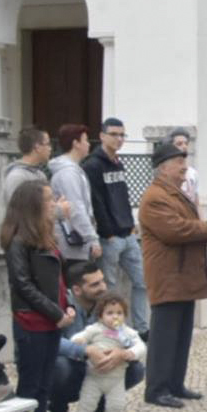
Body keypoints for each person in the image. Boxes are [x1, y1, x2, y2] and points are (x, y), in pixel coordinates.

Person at [2, 180, 74, 412]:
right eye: (47, 200)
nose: (53, 204)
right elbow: (23, 285)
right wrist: (56, 313)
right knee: (30, 386)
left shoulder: (47, 236)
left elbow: (58, 278)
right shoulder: (19, 240)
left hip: (51, 321)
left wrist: (66, 307)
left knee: (45, 383)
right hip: (33, 321)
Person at [142, 143, 207, 407]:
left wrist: (203, 229)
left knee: (181, 334)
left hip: (182, 274)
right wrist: (205, 229)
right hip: (168, 275)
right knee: (164, 335)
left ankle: (175, 383)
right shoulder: (155, 196)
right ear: (163, 168)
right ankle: (157, 389)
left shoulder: (174, 192)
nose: (184, 167)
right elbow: (173, 230)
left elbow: (186, 224)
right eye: (179, 162)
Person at [83, 118, 147, 335]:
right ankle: (110, 331)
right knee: (108, 289)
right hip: (109, 236)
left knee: (142, 282)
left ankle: (141, 327)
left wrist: (130, 225)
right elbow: (96, 202)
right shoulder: (93, 164)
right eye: (114, 134)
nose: (119, 139)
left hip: (127, 233)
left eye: (122, 135)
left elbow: (123, 195)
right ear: (102, 136)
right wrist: (107, 232)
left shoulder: (118, 162)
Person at [67, 296, 145, 412]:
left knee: (116, 404)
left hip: (117, 379)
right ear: (101, 316)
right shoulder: (95, 329)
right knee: (87, 403)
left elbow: (141, 346)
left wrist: (129, 353)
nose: (115, 316)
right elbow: (79, 337)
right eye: (110, 313)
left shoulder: (127, 333)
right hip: (94, 377)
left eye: (119, 313)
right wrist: (80, 341)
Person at [48, 123, 100, 275]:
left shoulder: (74, 170)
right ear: (75, 143)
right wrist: (91, 238)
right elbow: (76, 208)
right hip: (72, 244)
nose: (89, 144)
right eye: (85, 140)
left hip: (76, 242)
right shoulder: (68, 173)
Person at [3, 127, 62, 217]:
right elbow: (21, 212)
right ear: (37, 147)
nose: (50, 149)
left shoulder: (40, 174)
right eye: (48, 144)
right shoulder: (17, 177)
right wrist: (58, 211)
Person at [169, 130, 201, 202]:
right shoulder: (167, 172)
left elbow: (196, 203)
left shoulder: (193, 173)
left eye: (186, 143)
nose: (184, 146)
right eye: (179, 144)